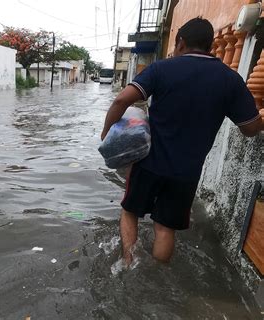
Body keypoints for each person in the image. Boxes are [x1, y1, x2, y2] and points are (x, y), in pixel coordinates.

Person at [100, 18, 264, 265]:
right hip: (186, 173)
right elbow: (250, 129)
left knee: (130, 212)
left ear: (181, 43)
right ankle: (157, 276)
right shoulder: (230, 80)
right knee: (165, 228)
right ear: (209, 45)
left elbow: (121, 100)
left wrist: (107, 133)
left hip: (148, 163)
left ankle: (128, 264)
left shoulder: (162, 69)